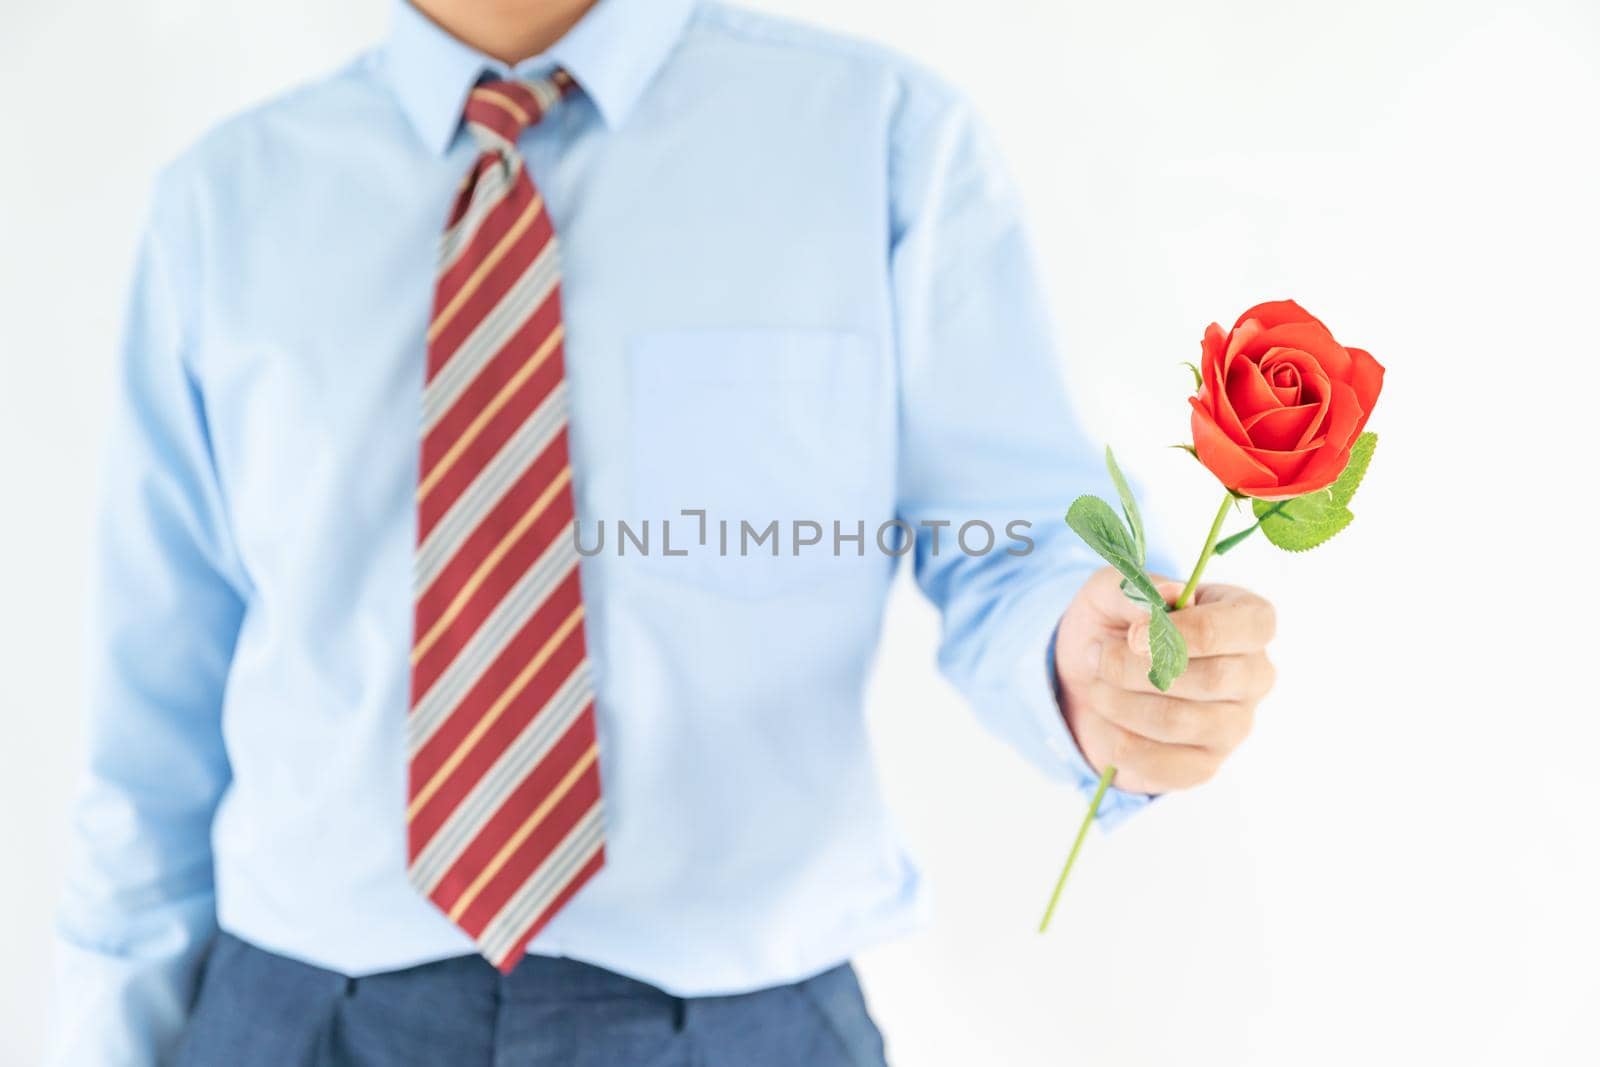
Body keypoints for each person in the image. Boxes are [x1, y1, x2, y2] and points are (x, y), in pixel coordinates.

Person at [52, 0, 1278, 1063]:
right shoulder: (223, 205)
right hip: (298, 1014)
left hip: (738, 1023)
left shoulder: (882, 142)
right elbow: (151, 708)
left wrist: (1092, 667)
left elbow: (1013, 541)